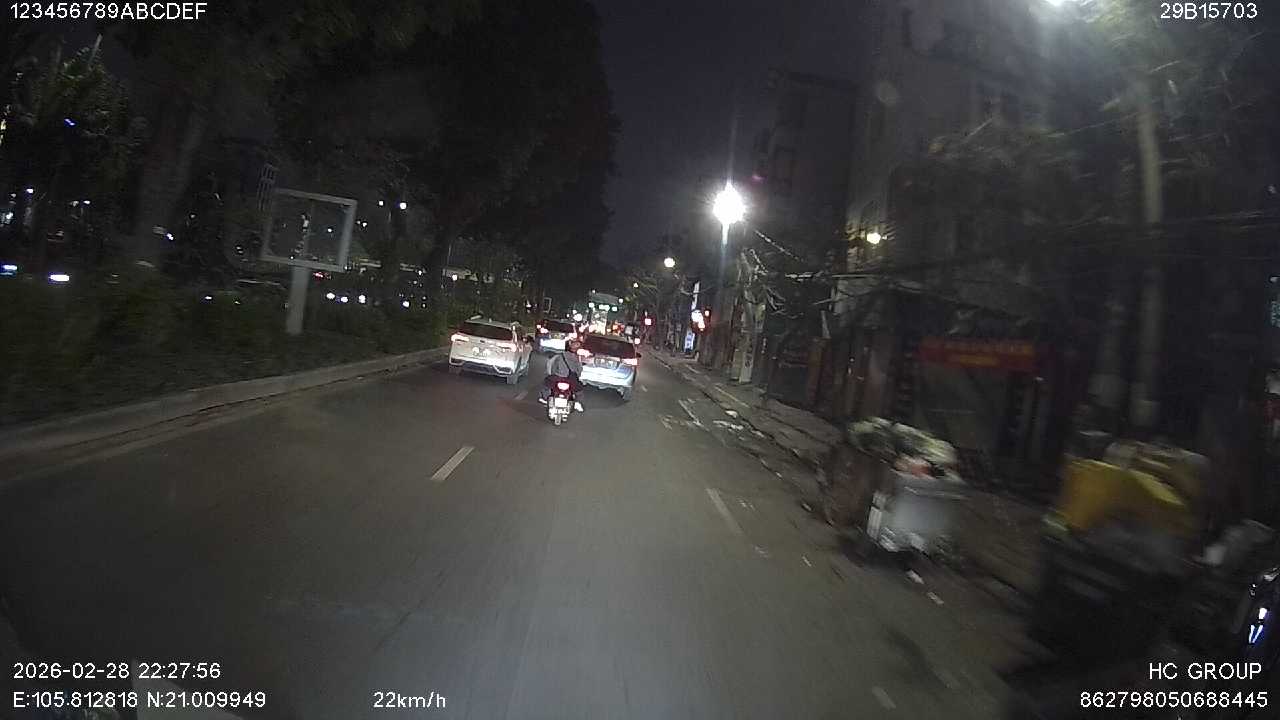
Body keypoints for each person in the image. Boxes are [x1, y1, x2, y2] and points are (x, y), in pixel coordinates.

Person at [540, 337, 585, 412]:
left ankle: (545, 398)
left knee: (546, 383)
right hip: (571, 379)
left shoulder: (559, 356)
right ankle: (577, 403)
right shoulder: (577, 358)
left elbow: (551, 367)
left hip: (558, 377)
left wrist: (553, 374)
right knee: (579, 390)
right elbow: (579, 371)